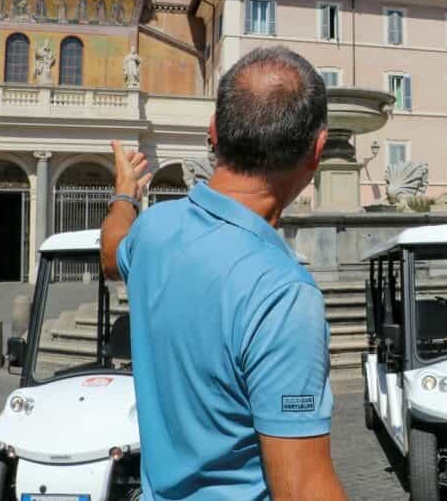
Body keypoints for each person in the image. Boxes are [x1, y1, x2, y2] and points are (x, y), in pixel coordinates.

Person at [100, 46, 348, 501]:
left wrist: (125, 195)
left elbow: (112, 253)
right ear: (317, 150)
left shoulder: (155, 229)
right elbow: (302, 488)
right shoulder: (282, 294)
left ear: (213, 133)